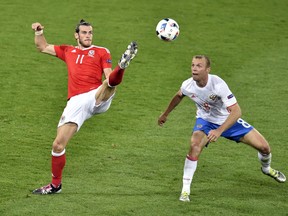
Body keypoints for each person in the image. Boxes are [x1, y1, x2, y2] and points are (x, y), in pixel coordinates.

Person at [158, 55, 286, 202]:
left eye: (199, 66)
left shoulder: (218, 84)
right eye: (193, 65)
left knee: (264, 148)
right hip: (205, 122)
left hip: (228, 121)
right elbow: (179, 95)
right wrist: (165, 113)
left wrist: (219, 131)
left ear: (207, 69)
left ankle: (266, 168)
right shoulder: (188, 85)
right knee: (194, 145)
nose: (194, 68)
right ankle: (185, 191)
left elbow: (236, 111)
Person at [31, 19, 138, 195]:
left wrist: (114, 76)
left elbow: (108, 76)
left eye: (90, 33)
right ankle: (55, 185)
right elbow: (42, 46)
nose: (88, 36)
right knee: (57, 145)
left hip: (95, 96)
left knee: (109, 84)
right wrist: (38, 31)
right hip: (76, 103)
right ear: (76, 35)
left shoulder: (101, 51)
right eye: (84, 33)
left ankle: (123, 66)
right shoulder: (68, 51)